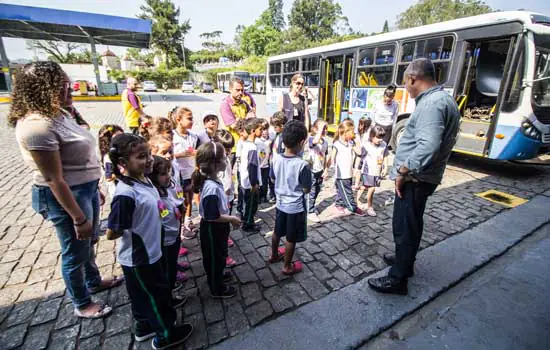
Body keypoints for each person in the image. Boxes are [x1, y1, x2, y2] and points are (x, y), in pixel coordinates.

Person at [10, 61, 123, 319]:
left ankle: (94, 280)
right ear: (42, 89)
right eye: (61, 85)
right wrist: (78, 217)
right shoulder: (36, 127)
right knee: (74, 251)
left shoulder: (58, 113)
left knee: (89, 241)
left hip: (85, 189)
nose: (68, 89)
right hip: (65, 196)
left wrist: (94, 187)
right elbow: (54, 178)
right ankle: (82, 302)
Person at [368, 58, 460, 295]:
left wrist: (402, 171)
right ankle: (403, 260)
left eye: (405, 81)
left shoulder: (432, 105)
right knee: (412, 222)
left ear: (412, 78)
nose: (404, 87)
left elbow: (428, 145)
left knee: (405, 226)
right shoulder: (442, 99)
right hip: (423, 177)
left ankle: (398, 278)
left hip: (415, 179)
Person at [106, 134, 193, 348]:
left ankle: (144, 326)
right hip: (140, 257)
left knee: (144, 293)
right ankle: (166, 334)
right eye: (141, 157)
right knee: (156, 296)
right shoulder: (126, 193)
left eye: (148, 155)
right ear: (123, 164)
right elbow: (113, 231)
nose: (149, 160)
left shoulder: (144, 180)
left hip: (152, 249)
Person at [192, 142, 241, 298]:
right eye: (223, 157)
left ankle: (217, 275)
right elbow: (212, 216)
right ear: (214, 164)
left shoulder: (211, 180)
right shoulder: (211, 187)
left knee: (219, 254)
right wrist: (232, 219)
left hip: (218, 227)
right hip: (213, 228)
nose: (226, 159)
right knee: (214, 257)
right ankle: (217, 287)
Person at [269, 120, 311, 275]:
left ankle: (273, 255)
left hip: (280, 204)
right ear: (301, 142)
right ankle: (287, 266)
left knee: (277, 231)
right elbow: (306, 189)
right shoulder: (302, 165)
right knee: (291, 238)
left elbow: (272, 179)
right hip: (295, 207)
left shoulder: (276, 158)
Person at [147, 156, 188, 305]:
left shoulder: (168, 187)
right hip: (164, 239)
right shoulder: (154, 194)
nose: (168, 177)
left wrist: (180, 206)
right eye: (163, 174)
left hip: (174, 233)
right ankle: (167, 298)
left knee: (171, 264)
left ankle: (170, 287)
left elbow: (175, 199)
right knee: (165, 269)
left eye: (169, 172)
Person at [148, 135, 191, 270]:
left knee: (176, 239)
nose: (168, 155)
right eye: (163, 152)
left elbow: (176, 184)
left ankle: (174, 263)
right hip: (165, 219)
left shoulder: (171, 166)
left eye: (170, 152)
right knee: (167, 248)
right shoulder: (154, 178)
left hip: (176, 208)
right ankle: (170, 270)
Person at [329, 119, 366, 217]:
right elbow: (332, 157)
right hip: (341, 174)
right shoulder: (337, 144)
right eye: (352, 132)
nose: (354, 134)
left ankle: (338, 204)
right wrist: (331, 166)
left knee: (343, 191)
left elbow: (359, 153)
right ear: (345, 132)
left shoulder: (350, 143)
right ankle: (352, 207)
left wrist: (356, 141)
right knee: (348, 192)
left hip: (348, 172)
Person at [172, 107, 199, 238]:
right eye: (189, 118)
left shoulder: (193, 136)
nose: (192, 121)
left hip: (191, 172)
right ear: (178, 119)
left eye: (192, 118)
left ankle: (187, 221)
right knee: (181, 201)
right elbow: (167, 154)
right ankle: (180, 227)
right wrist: (180, 154)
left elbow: (197, 151)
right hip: (178, 176)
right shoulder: (172, 136)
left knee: (189, 199)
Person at [215, 129, 238, 268]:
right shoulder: (216, 165)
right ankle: (223, 256)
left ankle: (225, 239)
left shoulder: (226, 160)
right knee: (221, 227)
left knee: (225, 225)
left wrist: (232, 191)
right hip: (221, 200)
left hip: (228, 198)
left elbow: (229, 178)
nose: (229, 152)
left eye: (230, 149)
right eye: (226, 149)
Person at [356, 125, 389, 216]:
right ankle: (370, 207)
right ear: (371, 136)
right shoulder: (366, 146)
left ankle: (356, 199)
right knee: (372, 188)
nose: (380, 140)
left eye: (382, 137)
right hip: (368, 171)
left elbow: (385, 156)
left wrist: (385, 167)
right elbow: (361, 158)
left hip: (377, 170)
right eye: (378, 137)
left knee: (365, 186)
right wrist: (357, 170)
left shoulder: (384, 145)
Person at [239, 118, 263, 233]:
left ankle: (246, 220)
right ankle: (248, 224)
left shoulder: (246, 144)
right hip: (250, 183)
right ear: (253, 131)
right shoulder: (252, 147)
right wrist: (254, 183)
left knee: (247, 203)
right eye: (260, 129)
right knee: (251, 205)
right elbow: (252, 166)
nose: (262, 131)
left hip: (245, 181)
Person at [220, 77, 252, 157]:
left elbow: (253, 120)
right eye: (237, 90)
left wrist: (239, 120)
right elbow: (234, 126)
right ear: (230, 89)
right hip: (231, 147)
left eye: (242, 90)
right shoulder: (225, 104)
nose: (241, 92)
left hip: (244, 144)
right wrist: (246, 120)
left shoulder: (244, 103)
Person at [307, 119, 329, 223]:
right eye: (322, 128)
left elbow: (325, 156)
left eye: (325, 128)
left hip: (320, 170)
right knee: (311, 191)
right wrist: (319, 130)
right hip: (311, 170)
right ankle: (309, 211)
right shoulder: (311, 139)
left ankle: (310, 206)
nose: (324, 130)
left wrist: (326, 169)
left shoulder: (326, 142)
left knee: (317, 189)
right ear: (315, 129)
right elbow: (315, 142)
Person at [98, 124, 124, 200]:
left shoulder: (121, 151)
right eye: (117, 138)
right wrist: (124, 172)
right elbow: (108, 177)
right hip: (118, 192)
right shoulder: (108, 157)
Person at [268, 112, 288, 203]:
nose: (274, 129)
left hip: (279, 163)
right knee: (272, 180)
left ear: (282, 126)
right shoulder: (277, 135)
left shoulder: (284, 137)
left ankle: (279, 197)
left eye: (276, 127)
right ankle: (274, 195)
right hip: (274, 161)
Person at [353, 116, 373, 190]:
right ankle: (357, 184)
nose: (359, 126)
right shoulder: (360, 132)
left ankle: (360, 184)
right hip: (360, 151)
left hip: (365, 152)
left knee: (360, 168)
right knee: (358, 168)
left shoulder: (368, 132)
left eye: (361, 124)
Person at [255, 119, 271, 203]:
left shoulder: (269, 141)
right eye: (263, 129)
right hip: (259, 165)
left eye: (266, 129)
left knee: (265, 182)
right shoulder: (258, 141)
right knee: (259, 182)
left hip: (266, 165)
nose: (265, 132)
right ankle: (259, 197)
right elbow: (261, 154)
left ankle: (264, 196)